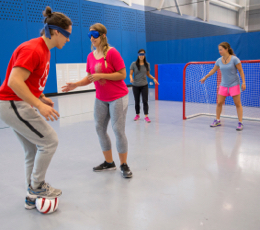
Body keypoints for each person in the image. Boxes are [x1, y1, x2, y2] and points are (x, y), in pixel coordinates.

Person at [0, 6, 72, 209]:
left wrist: (40, 96)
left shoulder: (44, 50)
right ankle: (37, 187)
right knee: (50, 141)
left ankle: (31, 197)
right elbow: (14, 81)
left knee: (32, 149)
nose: (68, 40)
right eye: (67, 35)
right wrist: (38, 104)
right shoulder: (33, 49)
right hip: (13, 104)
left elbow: (28, 80)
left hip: (18, 103)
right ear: (57, 32)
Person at [62, 23, 132, 178]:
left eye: (94, 35)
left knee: (118, 130)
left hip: (118, 97)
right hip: (101, 98)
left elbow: (122, 75)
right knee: (99, 128)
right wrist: (76, 85)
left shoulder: (112, 53)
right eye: (89, 35)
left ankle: (124, 164)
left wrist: (102, 76)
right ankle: (109, 162)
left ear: (103, 36)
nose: (91, 38)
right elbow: (90, 78)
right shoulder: (90, 56)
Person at [200, 42, 246, 131]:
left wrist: (244, 82)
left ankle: (240, 123)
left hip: (234, 84)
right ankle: (217, 120)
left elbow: (240, 70)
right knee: (219, 103)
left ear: (226, 49)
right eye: (219, 50)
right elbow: (213, 70)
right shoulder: (218, 60)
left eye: (221, 49)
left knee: (237, 104)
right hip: (223, 85)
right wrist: (205, 77)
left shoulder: (235, 59)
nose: (219, 51)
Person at [130, 49, 159, 123]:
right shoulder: (134, 64)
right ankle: (137, 115)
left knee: (145, 101)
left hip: (144, 85)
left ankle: (146, 116)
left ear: (144, 55)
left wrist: (153, 78)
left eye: (142, 54)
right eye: (140, 54)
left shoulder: (147, 64)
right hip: (135, 86)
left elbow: (148, 74)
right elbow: (130, 74)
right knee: (137, 101)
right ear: (138, 55)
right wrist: (131, 78)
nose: (141, 56)